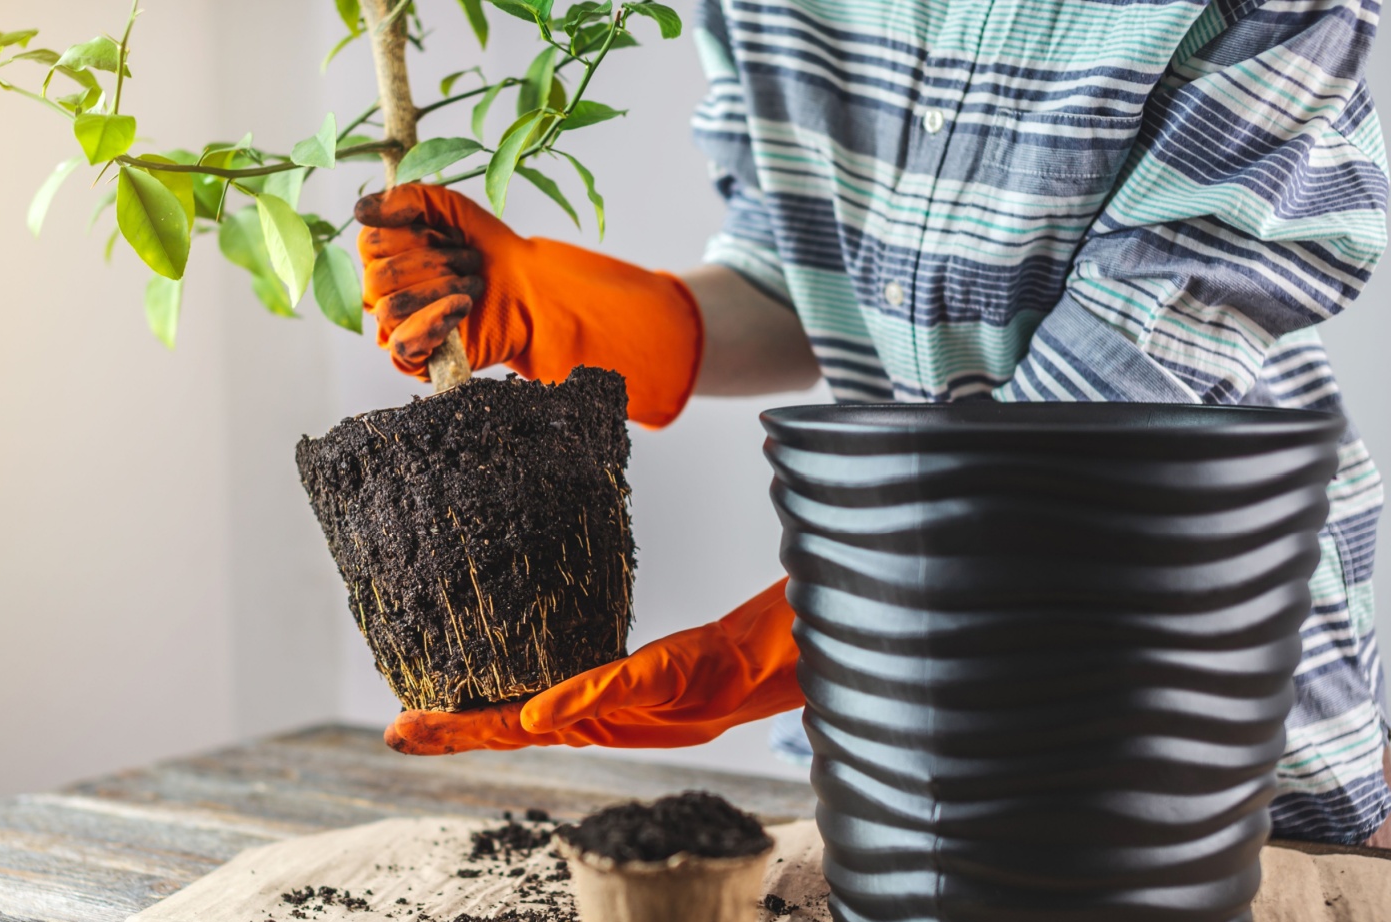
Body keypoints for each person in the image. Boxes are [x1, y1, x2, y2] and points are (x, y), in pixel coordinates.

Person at [355, 0, 1391, 847]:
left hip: (1202, 733)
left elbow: (1104, 426)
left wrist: (826, 635)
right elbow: (807, 283)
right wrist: (571, 309)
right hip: (909, 756)